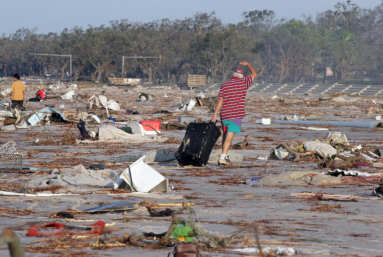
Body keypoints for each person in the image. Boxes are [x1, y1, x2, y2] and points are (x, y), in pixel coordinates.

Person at [211, 61, 257, 166]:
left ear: (233, 75)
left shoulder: (225, 85)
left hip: (224, 115)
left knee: (225, 135)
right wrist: (249, 64)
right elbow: (254, 74)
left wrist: (214, 114)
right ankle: (222, 158)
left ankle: (225, 156)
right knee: (229, 137)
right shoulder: (244, 82)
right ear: (242, 76)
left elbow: (220, 100)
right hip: (235, 114)